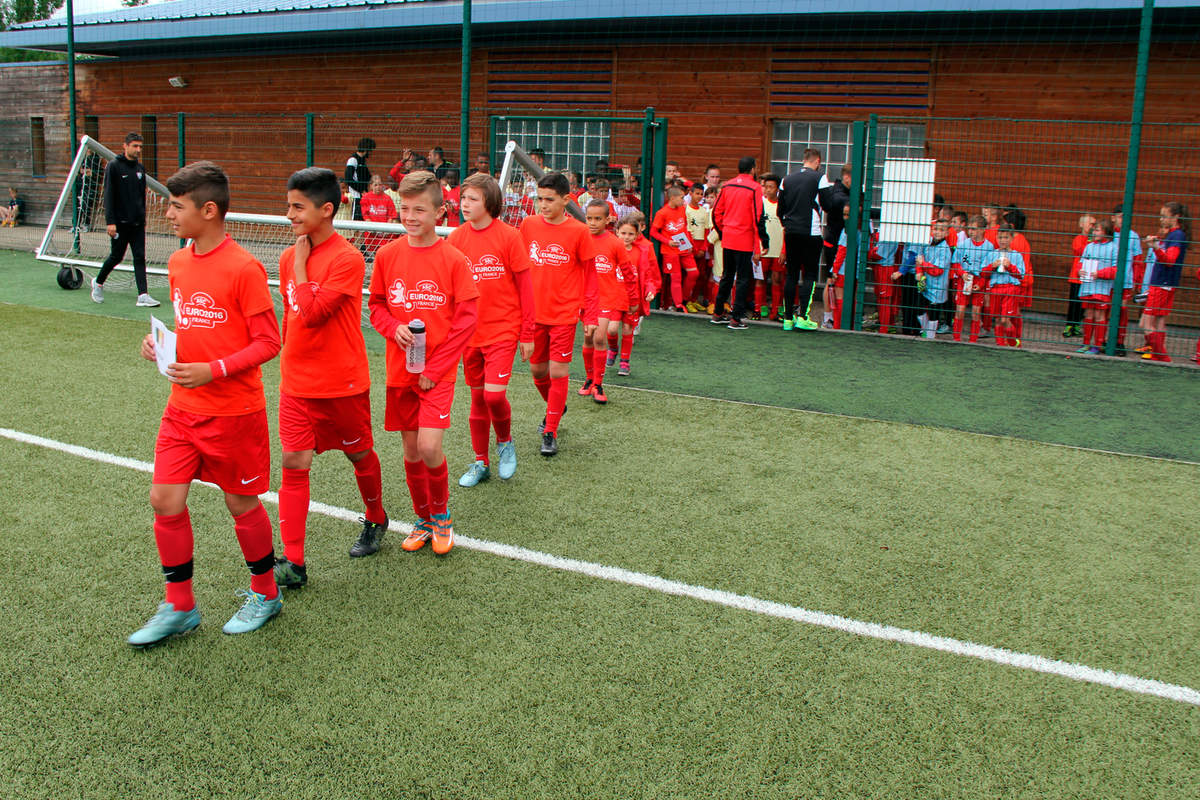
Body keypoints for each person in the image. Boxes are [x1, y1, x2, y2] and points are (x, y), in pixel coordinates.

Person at [128, 160, 282, 647]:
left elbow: (268, 342)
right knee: (163, 499)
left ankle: (266, 593)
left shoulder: (244, 268)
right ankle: (179, 606)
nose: (168, 214)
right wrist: (162, 344)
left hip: (233, 412)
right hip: (182, 409)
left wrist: (211, 370)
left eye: (176, 206)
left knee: (241, 503)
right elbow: (194, 327)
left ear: (208, 210)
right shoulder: (177, 262)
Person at [272, 167, 389, 590]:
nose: (289, 215)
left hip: (342, 384)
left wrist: (302, 265)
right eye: (288, 206)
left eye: (297, 207)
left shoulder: (348, 258)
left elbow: (316, 313)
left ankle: (376, 517)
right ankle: (294, 561)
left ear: (326, 209)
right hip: (297, 384)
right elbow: (293, 318)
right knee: (293, 462)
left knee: (359, 455)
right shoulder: (289, 257)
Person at [369, 171, 478, 555]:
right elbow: (376, 306)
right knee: (411, 451)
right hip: (400, 371)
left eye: (419, 209)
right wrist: (392, 327)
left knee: (430, 447)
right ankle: (423, 519)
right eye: (405, 208)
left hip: (438, 374)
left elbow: (466, 322)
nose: (410, 216)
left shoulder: (453, 260)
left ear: (440, 212)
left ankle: (442, 514)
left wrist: (434, 370)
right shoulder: (387, 254)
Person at [446, 172, 535, 487]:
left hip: (503, 330)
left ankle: (506, 442)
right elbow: (450, 290)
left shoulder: (510, 237)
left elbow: (526, 290)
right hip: (470, 334)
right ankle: (480, 461)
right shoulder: (455, 238)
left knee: (495, 398)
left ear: (490, 202)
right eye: (464, 198)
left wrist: (527, 333)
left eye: (472, 199)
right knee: (477, 399)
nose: (465, 204)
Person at [520, 172, 595, 456]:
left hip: (564, 314)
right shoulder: (527, 226)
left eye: (549, 200)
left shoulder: (579, 231)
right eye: (539, 198)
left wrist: (590, 315)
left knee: (558, 371)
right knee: (538, 371)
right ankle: (556, 405)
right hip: (533, 315)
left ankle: (550, 430)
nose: (542, 204)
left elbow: (590, 277)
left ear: (566, 200)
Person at [91, 133, 159, 308]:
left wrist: (142, 217)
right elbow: (109, 195)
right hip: (119, 223)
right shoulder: (114, 167)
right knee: (116, 256)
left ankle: (143, 295)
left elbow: (140, 196)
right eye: (135, 146)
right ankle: (98, 283)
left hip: (137, 223)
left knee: (139, 256)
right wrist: (110, 222)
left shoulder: (140, 169)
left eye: (140, 147)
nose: (138, 150)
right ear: (125, 146)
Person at [583, 199, 637, 404]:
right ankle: (588, 379)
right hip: (583, 299)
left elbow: (628, 272)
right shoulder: (581, 238)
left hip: (606, 298)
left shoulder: (615, 242)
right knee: (588, 339)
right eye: (589, 218)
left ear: (608, 219)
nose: (593, 222)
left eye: (598, 219)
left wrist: (633, 299)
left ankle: (598, 384)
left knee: (599, 338)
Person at [709, 156, 766, 330]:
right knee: (742, 279)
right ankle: (736, 318)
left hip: (729, 237)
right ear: (753, 169)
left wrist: (722, 231)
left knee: (727, 275)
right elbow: (758, 217)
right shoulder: (755, 188)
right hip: (745, 238)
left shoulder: (727, 185)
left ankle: (718, 312)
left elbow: (716, 212)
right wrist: (762, 241)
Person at [777, 148, 826, 331]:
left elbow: (780, 209)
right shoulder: (819, 177)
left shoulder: (786, 180)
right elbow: (828, 203)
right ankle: (803, 316)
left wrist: (786, 224)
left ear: (803, 160)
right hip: (811, 232)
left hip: (791, 231)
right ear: (817, 161)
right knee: (810, 274)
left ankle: (787, 318)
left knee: (791, 274)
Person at [1139, 201, 1189, 363]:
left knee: (1145, 322)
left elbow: (1170, 260)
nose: (1161, 219)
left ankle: (1162, 356)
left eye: (1164, 216)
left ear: (1176, 216)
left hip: (1162, 282)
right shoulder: (1176, 234)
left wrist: (1155, 247)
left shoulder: (1176, 235)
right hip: (1167, 282)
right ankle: (1158, 355)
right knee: (1159, 320)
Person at [1074, 217, 1121, 356]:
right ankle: (1086, 343)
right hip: (1088, 286)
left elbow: (1115, 269)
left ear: (1106, 232)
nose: (1094, 232)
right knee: (1089, 313)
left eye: (1097, 230)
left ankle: (1098, 344)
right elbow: (1081, 262)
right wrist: (1080, 270)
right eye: (1094, 230)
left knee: (1100, 314)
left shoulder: (1113, 248)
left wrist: (1100, 273)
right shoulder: (1089, 246)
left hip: (1102, 287)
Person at [650, 186, 697, 313]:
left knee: (694, 273)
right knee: (676, 277)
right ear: (672, 198)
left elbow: (685, 227)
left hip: (683, 246)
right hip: (670, 250)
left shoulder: (682, 209)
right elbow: (653, 232)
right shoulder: (662, 213)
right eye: (682, 197)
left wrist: (690, 243)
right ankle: (678, 305)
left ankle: (685, 299)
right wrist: (668, 242)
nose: (684, 200)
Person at [952, 215, 995, 342]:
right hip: (965, 278)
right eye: (969, 229)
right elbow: (955, 262)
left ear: (982, 230)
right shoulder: (963, 244)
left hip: (979, 280)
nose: (970, 232)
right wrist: (962, 273)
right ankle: (956, 338)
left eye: (974, 229)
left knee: (976, 312)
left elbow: (989, 269)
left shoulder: (989, 247)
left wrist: (981, 283)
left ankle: (973, 339)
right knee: (960, 310)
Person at [818, 163, 852, 327]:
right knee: (832, 280)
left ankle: (832, 316)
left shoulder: (842, 192)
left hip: (837, 241)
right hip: (834, 242)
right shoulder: (839, 196)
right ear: (846, 177)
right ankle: (828, 317)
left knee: (835, 281)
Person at [981, 225, 1026, 347]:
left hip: (1010, 289)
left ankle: (1014, 343)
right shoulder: (992, 255)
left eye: (1006, 237)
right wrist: (992, 266)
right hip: (995, 289)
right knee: (997, 319)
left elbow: (1021, 275)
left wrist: (1010, 266)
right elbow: (983, 273)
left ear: (1011, 239)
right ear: (996, 238)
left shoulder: (1017, 256)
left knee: (1005, 319)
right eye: (1000, 237)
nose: (1003, 240)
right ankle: (1000, 345)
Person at [914, 220, 953, 339]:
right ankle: (924, 330)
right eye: (935, 229)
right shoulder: (927, 243)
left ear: (946, 233)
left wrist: (923, 264)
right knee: (919, 307)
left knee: (933, 311)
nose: (937, 232)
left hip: (937, 286)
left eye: (941, 230)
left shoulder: (945, 249)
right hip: (926, 283)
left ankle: (930, 335)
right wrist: (919, 271)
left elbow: (938, 270)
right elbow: (919, 258)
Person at [759, 173, 786, 321]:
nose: (767, 190)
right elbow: (757, 228)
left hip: (778, 249)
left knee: (777, 279)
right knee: (760, 278)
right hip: (764, 248)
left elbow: (786, 229)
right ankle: (760, 307)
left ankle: (776, 309)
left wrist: (784, 250)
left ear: (777, 189)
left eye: (771, 187)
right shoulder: (761, 204)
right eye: (766, 187)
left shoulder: (783, 206)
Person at [1064, 214, 1095, 339]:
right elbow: (1079, 251)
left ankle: (1077, 325)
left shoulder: (1094, 241)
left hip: (1087, 276)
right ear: (1082, 225)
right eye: (1090, 224)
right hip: (1076, 277)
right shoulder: (1079, 238)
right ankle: (1069, 325)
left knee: (1083, 303)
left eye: (1094, 224)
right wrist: (1089, 242)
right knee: (1074, 302)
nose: (1092, 227)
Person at [344, 137, 375, 220]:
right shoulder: (353, 160)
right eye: (370, 150)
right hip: (356, 196)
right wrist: (361, 190)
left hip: (363, 196)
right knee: (356, 220)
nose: (371, 153)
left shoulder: (363, 161)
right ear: (366, 150)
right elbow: (349, 179)